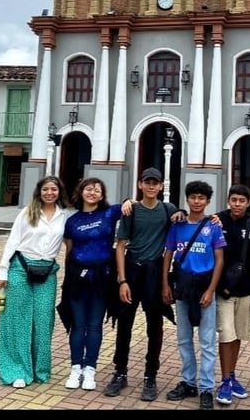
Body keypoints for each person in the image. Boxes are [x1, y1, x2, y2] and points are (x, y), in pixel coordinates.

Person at [104, 167, 180, 402]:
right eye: (147, 182)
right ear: (140, 184)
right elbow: (120, 245)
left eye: (154, 183)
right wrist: (122, 279)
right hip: (132, 270)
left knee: (154, 326)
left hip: (155, 272)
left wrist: (182, 212)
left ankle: (150, 375)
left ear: (160, 187)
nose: (150, 186)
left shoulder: (167, 210)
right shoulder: (132, 210)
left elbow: (183, 219)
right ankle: (120, 372)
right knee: (124, 323)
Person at [0, 175, 69, 389]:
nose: (49, 193)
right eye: (45, 189)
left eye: (53, 189)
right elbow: (13, 241)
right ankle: (17, 369)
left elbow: (71, 245)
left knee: (43, 320)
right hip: (20, 267)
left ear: (59, 192)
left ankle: (39, 369)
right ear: (39, 191)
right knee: (17, 319)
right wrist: (2, 271)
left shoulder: (64, 216)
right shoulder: (27, 213)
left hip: (47, 271)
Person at [162, 180, 226, 410]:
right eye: (193, 197)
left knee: (207, 341)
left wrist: (211, 290)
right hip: (182, 287)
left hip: (204, 287)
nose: (197, 201)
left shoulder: (213, 226)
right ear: (187, 199)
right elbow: (168, 255)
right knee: (183, 338)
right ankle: (189, 381)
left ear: (208, 201)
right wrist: (165, 285)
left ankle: (207, 387)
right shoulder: (177, 225)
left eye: (201, 198)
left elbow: (219, 259)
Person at [59, 177, 123, 392]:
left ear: (102, 195)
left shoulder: (110, 213)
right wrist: (67, 282)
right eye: (88, 189)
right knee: (78, 324)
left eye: (97, 190)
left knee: (95, 325)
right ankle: (75, 367)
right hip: (78, 277)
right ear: (81, 192)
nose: (92, 193)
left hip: (102, 277)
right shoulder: (72, 221)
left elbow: (131, 205)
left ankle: (90, 369)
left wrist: (129, 201)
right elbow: (69, 251)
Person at [213, 183, 250, 406]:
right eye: (234, 200)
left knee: (237, 336)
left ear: (248, 203)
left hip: (245, 291)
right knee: (226, 335)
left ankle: (232, 375)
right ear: (228, 200)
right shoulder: (217, 220)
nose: (237, 204)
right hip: (222, 291)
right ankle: (225, 380)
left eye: (241, 201)